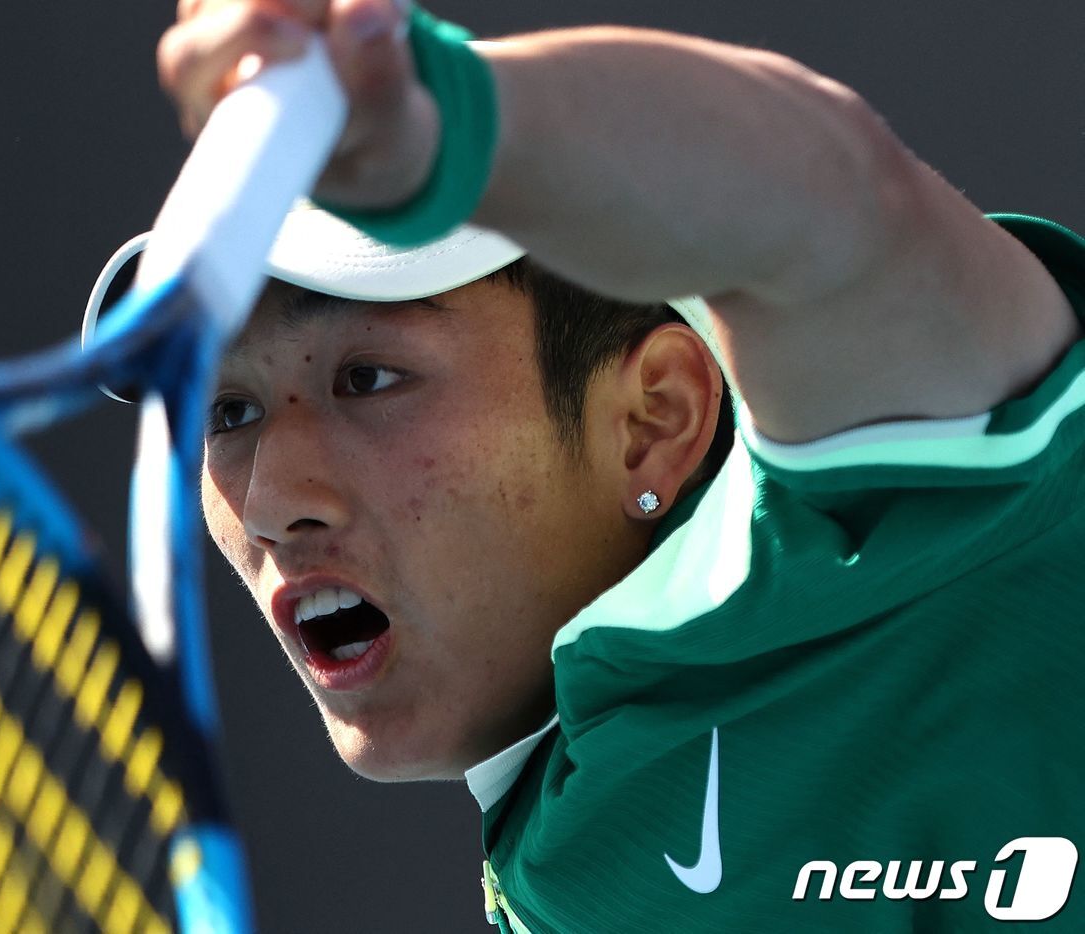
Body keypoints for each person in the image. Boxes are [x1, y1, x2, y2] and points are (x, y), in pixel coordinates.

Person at [90, 1, 1085, 929]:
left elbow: (833, 197)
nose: (270, 499)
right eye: (227, 410)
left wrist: (438, 119)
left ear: (653, 419)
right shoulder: (561, 861)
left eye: (370, 377)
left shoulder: (875, 541)